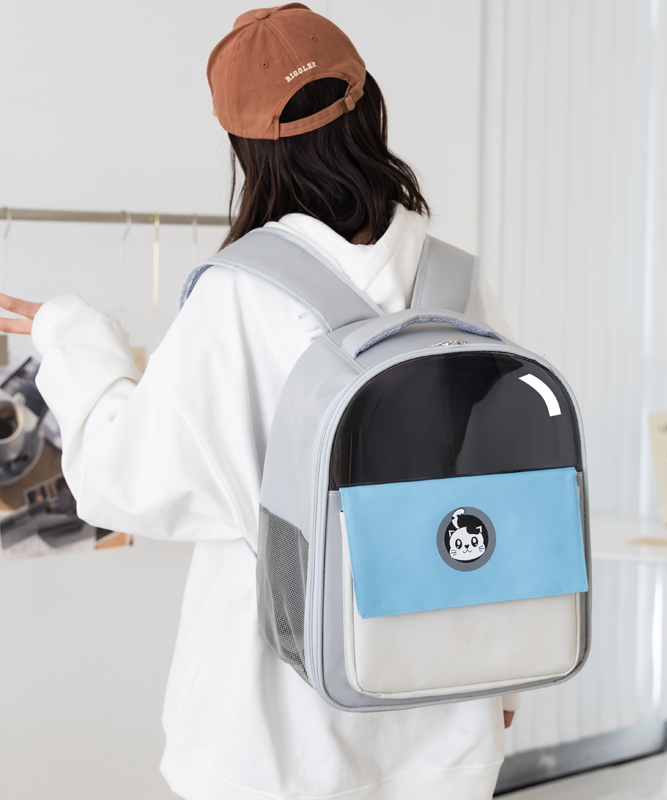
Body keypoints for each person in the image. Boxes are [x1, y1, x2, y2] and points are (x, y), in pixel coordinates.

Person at [0, 5, 520, 799]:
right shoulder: (457, 281)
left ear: (246, 150)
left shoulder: (241, 296)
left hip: (276, 733)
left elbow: (121, 479)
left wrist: (75, 335)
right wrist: (504, 675)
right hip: (446, 711)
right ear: (370, 106)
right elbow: (507, 487)